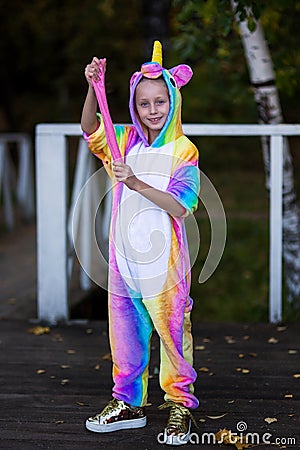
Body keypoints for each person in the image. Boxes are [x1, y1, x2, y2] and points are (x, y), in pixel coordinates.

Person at [81, 41, 200, 446]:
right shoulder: (126, 139)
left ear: (174, 100)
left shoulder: (183, 150)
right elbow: (89, 128)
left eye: (160, 101)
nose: (153, 110)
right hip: (124, 262)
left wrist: (135, 181)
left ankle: (179, 403)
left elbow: (181, 207)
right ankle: (127, 402)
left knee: (171, 334)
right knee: (125, 336)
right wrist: (92, 86)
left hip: (163, 269)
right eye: (144, 103)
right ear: (135, 105)